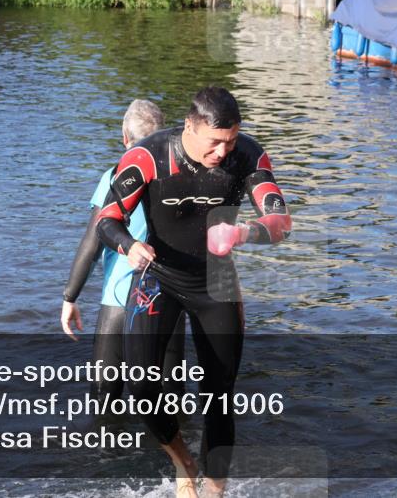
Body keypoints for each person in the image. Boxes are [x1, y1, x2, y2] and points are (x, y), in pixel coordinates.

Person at [97, 86, 292, 497]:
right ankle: (182, 461)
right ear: (190, 126)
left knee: (219, 399)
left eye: (231, 141)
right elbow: (107, 219)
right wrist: (128, 245)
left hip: (215, 283)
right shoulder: (148, 155)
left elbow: (280, 221)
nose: (223, 152)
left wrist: (243, 231)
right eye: (215, 142)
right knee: (142, 388)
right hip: (159, 278)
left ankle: (214, 490)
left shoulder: (249, 155)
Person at [62, 100, 185, 401]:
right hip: (168, 298)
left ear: (124, 138)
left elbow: (93, 242)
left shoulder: (115, 177)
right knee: (172, 398)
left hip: (119, 300)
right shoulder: (181, 178)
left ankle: (112, 448)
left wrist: (70, 297)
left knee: (105, 401)